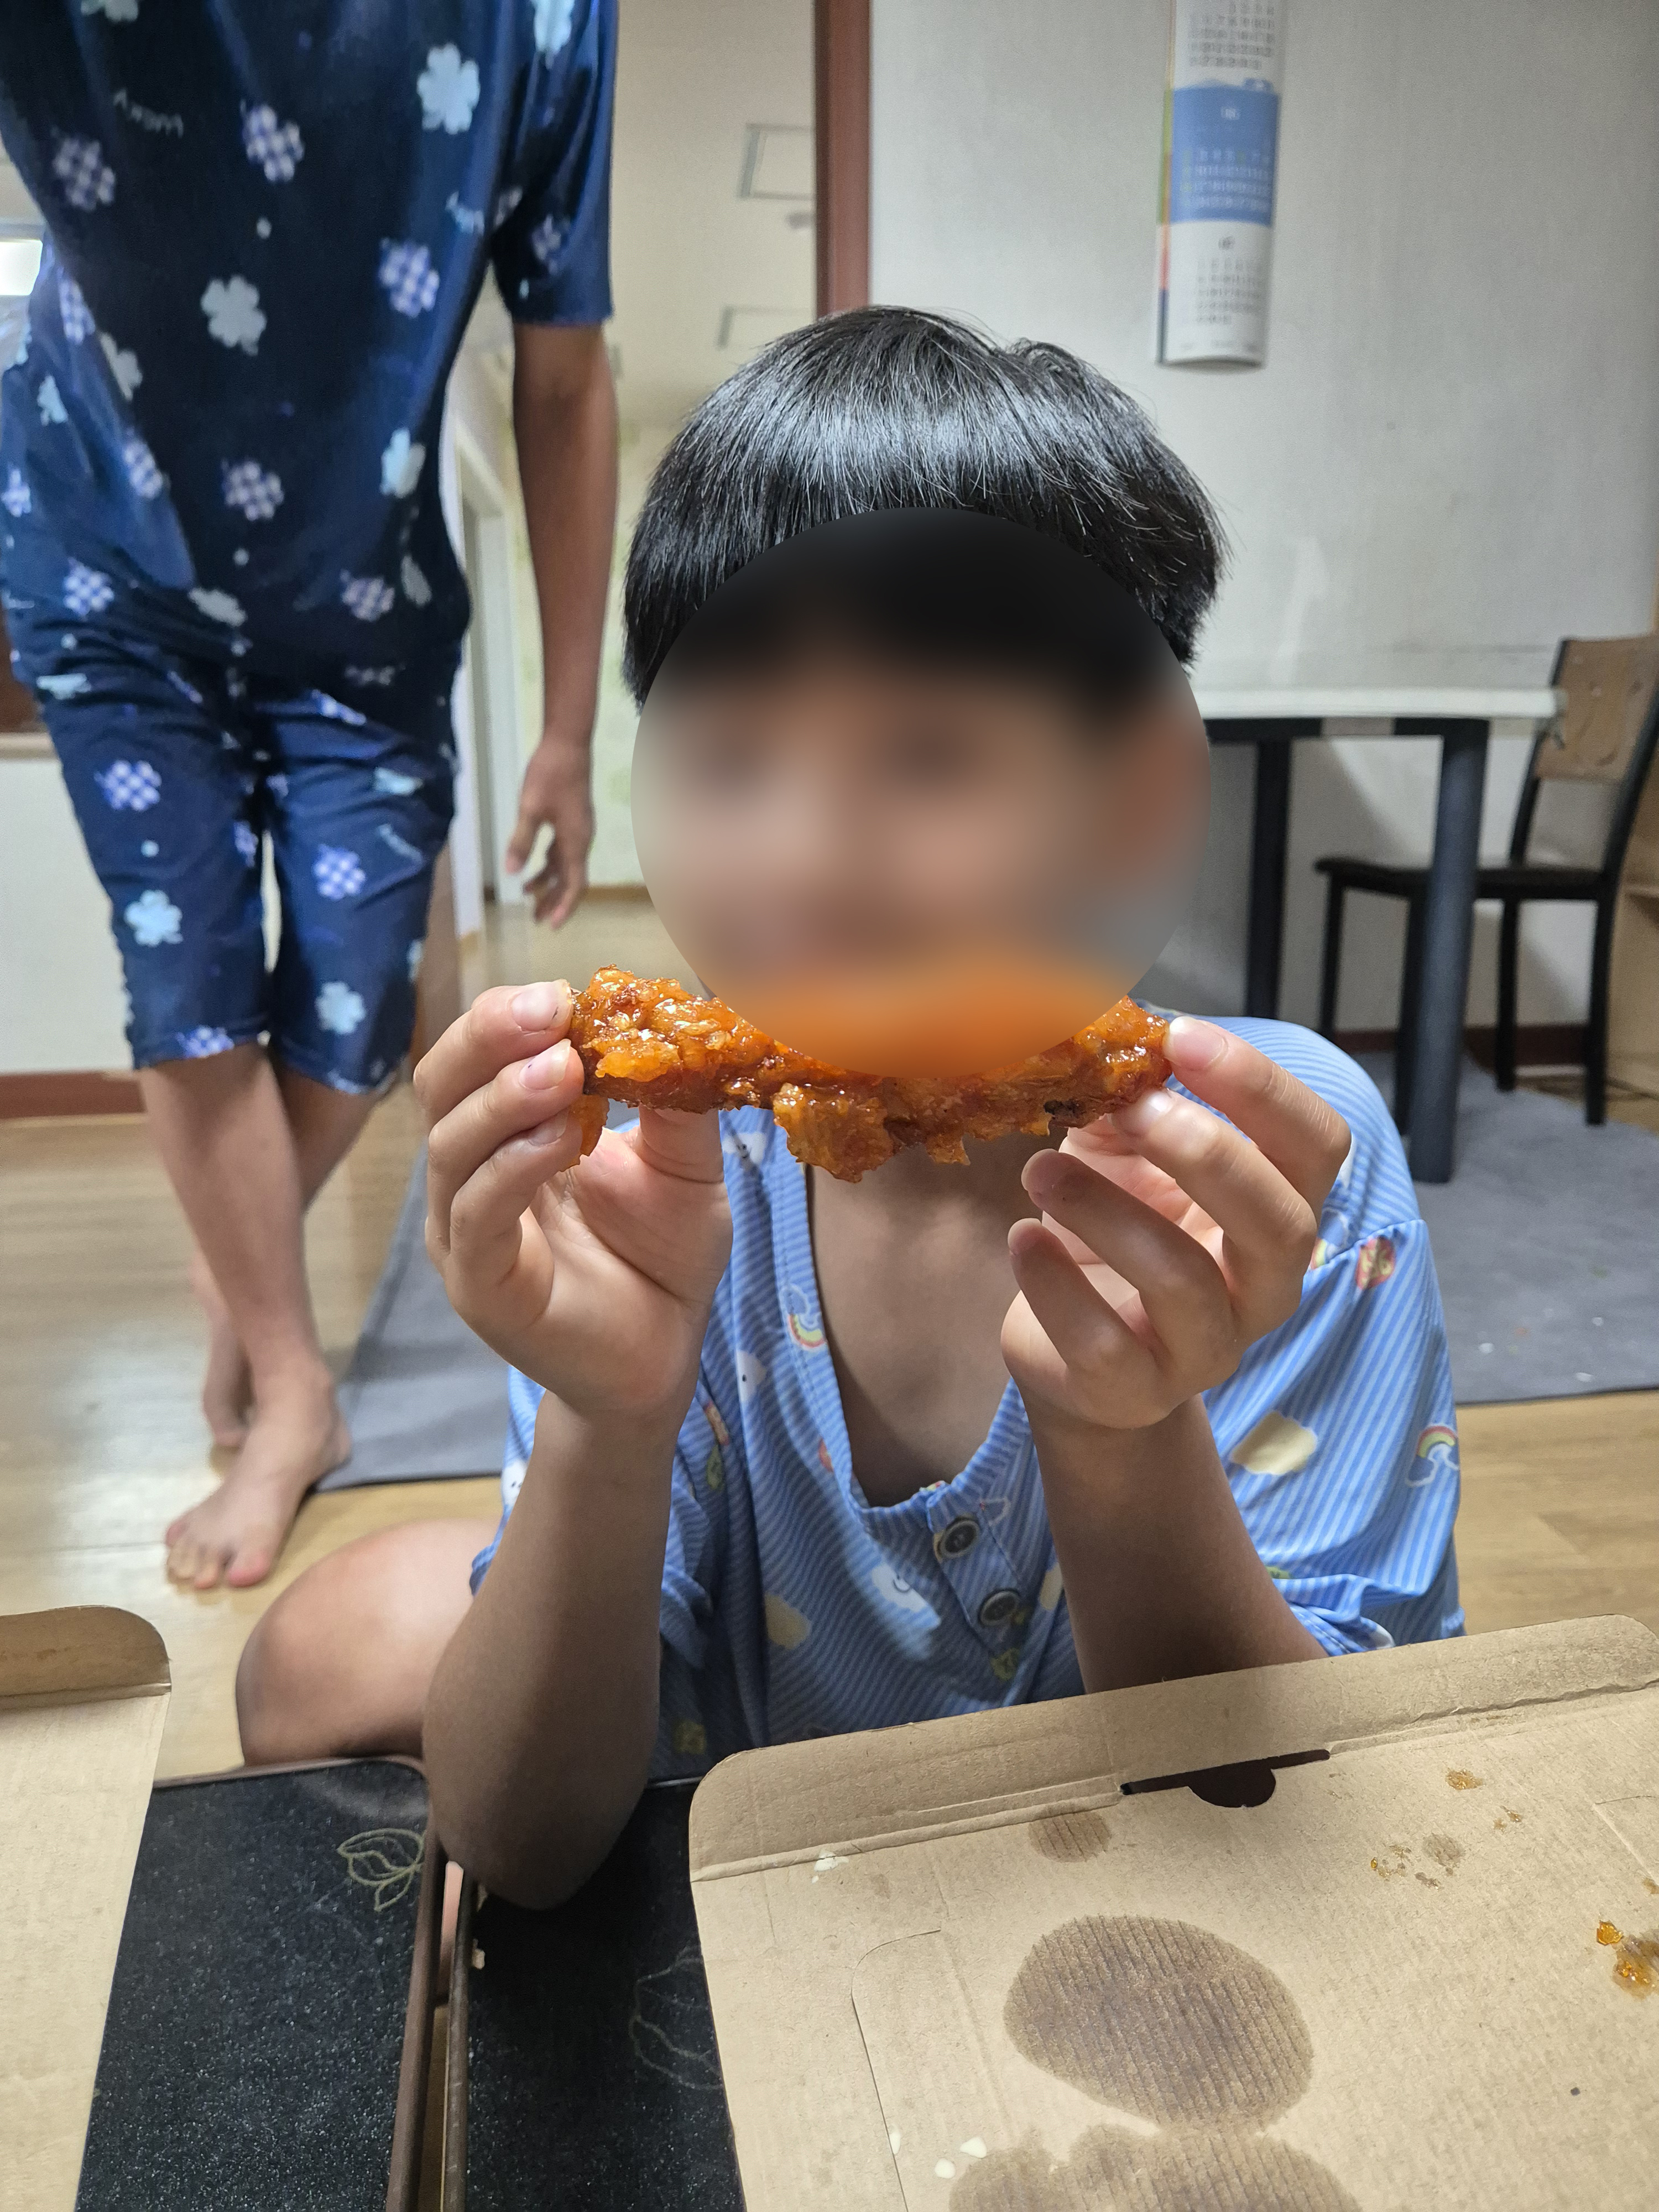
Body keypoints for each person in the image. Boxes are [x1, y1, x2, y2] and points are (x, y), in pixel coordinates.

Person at [236, 310, 1462, 1905]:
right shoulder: (646, 1180)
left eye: (930, 758)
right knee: (313, 1652)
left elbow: (1304, 1813)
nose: (806, 861)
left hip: (1151, 1862)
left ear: (1128, 801)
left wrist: (1123, 1442)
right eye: (733, 760)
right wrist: (609, 1415)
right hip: (744, 1829)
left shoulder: (1270, 1162)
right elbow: (528, 1846)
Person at [0, 3, 619, 1588]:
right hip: (104, 570)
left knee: (358, 1016)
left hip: (369, 612)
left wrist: (564, 729)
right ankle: (294, 1393)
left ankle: (239, 1267)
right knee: (189, 988)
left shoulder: (545, 25)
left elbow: (563, 381)